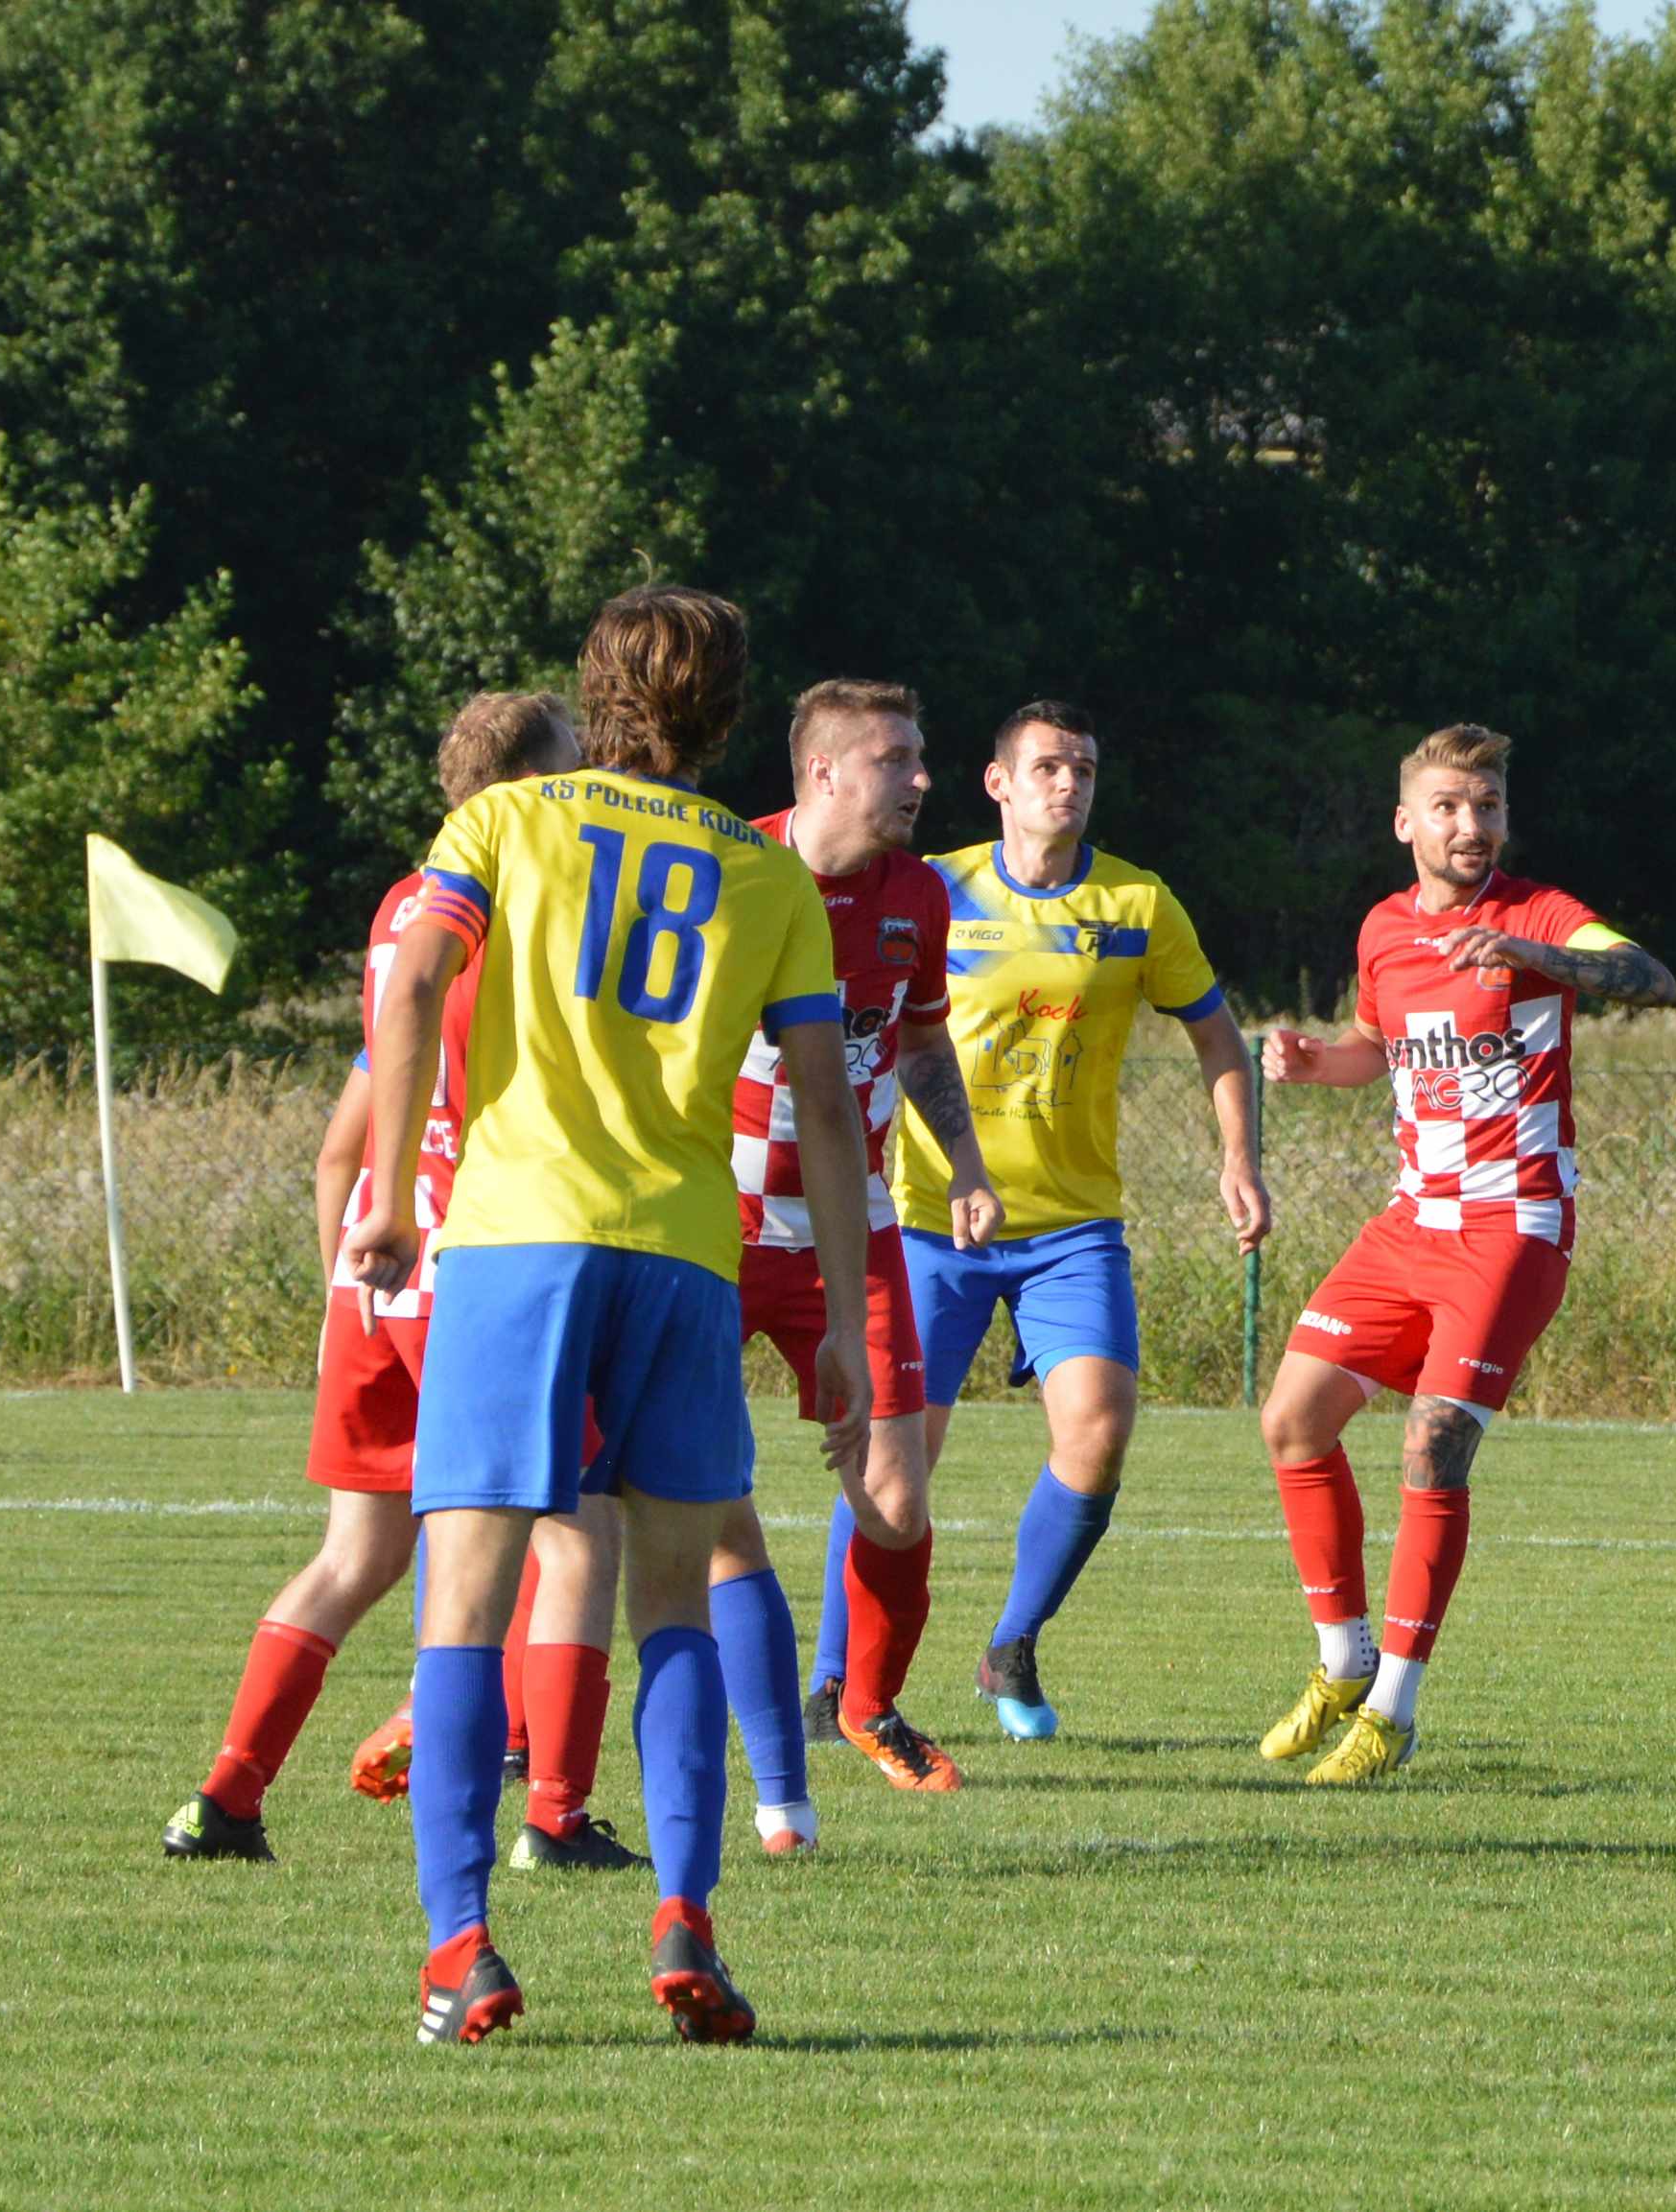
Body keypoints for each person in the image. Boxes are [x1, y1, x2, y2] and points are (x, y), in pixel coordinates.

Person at [345, 584, 875, 2046]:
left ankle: (462, 1946)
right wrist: (837, 1312)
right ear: (728, 712)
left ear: (598, 688)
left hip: (521, 1240)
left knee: (463, 1600)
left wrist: (390, 1192)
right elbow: (825, 1108)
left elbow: (408, 991)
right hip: (688, 1258)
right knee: (673, 1597)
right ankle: (687, 1914)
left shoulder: (505, 824)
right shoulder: (769, 879)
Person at [161, 695, 636, 1870]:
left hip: (374, 1269)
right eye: (570, 766)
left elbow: (343, 1140)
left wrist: (351, 1289)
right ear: (529, 783)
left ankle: (226, 1796)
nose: (584, 784)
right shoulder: (519, 901)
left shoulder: (401, 910)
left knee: (357, 1551)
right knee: (580, 1532)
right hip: (475, 1265)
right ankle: (556, 1816)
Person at [1254, 722, 1676, 1782]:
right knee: (1292, 1419)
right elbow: (1378, 1048)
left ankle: (1393, 1708)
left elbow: (1650, 975)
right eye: (1448, 806)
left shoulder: (1541, 913)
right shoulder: (1384, 929)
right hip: (1409, 1223)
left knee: (1430, 1449)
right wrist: (1316, 1062)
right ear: (1407, 823)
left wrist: (1536, 955)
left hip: (1513, 1224)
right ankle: (1341, 1660)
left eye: (1487, 805)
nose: (1471, 825)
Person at [896, 700, 1267, 1742]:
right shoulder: (935, 889)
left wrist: (1237, 1158)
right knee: (896, 1466)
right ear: (998, 781)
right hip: (932, 1220)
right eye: (1049, 766)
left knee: (1098, 1436)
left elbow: (1219, 1042)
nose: (1069, 784)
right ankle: (841, 1684)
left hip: (1072, 1226)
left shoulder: (1138, 901)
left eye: (1085, 770)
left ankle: (1011, 1642)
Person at [701, 680, 1004, 1851]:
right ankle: (517, 1724)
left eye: (922, 755)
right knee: (624, 1493)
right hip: (706, 1231)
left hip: (853, 1231)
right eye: (897, 758)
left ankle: (867, 1707)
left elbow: (920, 1038)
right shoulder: (726, 866)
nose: (922, 778)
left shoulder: (919, 894)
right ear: (821, 772)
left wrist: (965, 1163)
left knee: (894, 1498)